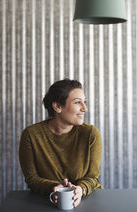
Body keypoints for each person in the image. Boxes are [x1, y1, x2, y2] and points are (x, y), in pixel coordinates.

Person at [19, 78, 103, 207]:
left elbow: (92, 176)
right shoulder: (31, 135)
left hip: (88, 200)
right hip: (47, 202)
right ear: (57, 106)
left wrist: (80, 190)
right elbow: (32, 179)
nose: (84, 108)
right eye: (77, 102)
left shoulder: (91, 134)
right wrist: (54, 187)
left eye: (84, 102)